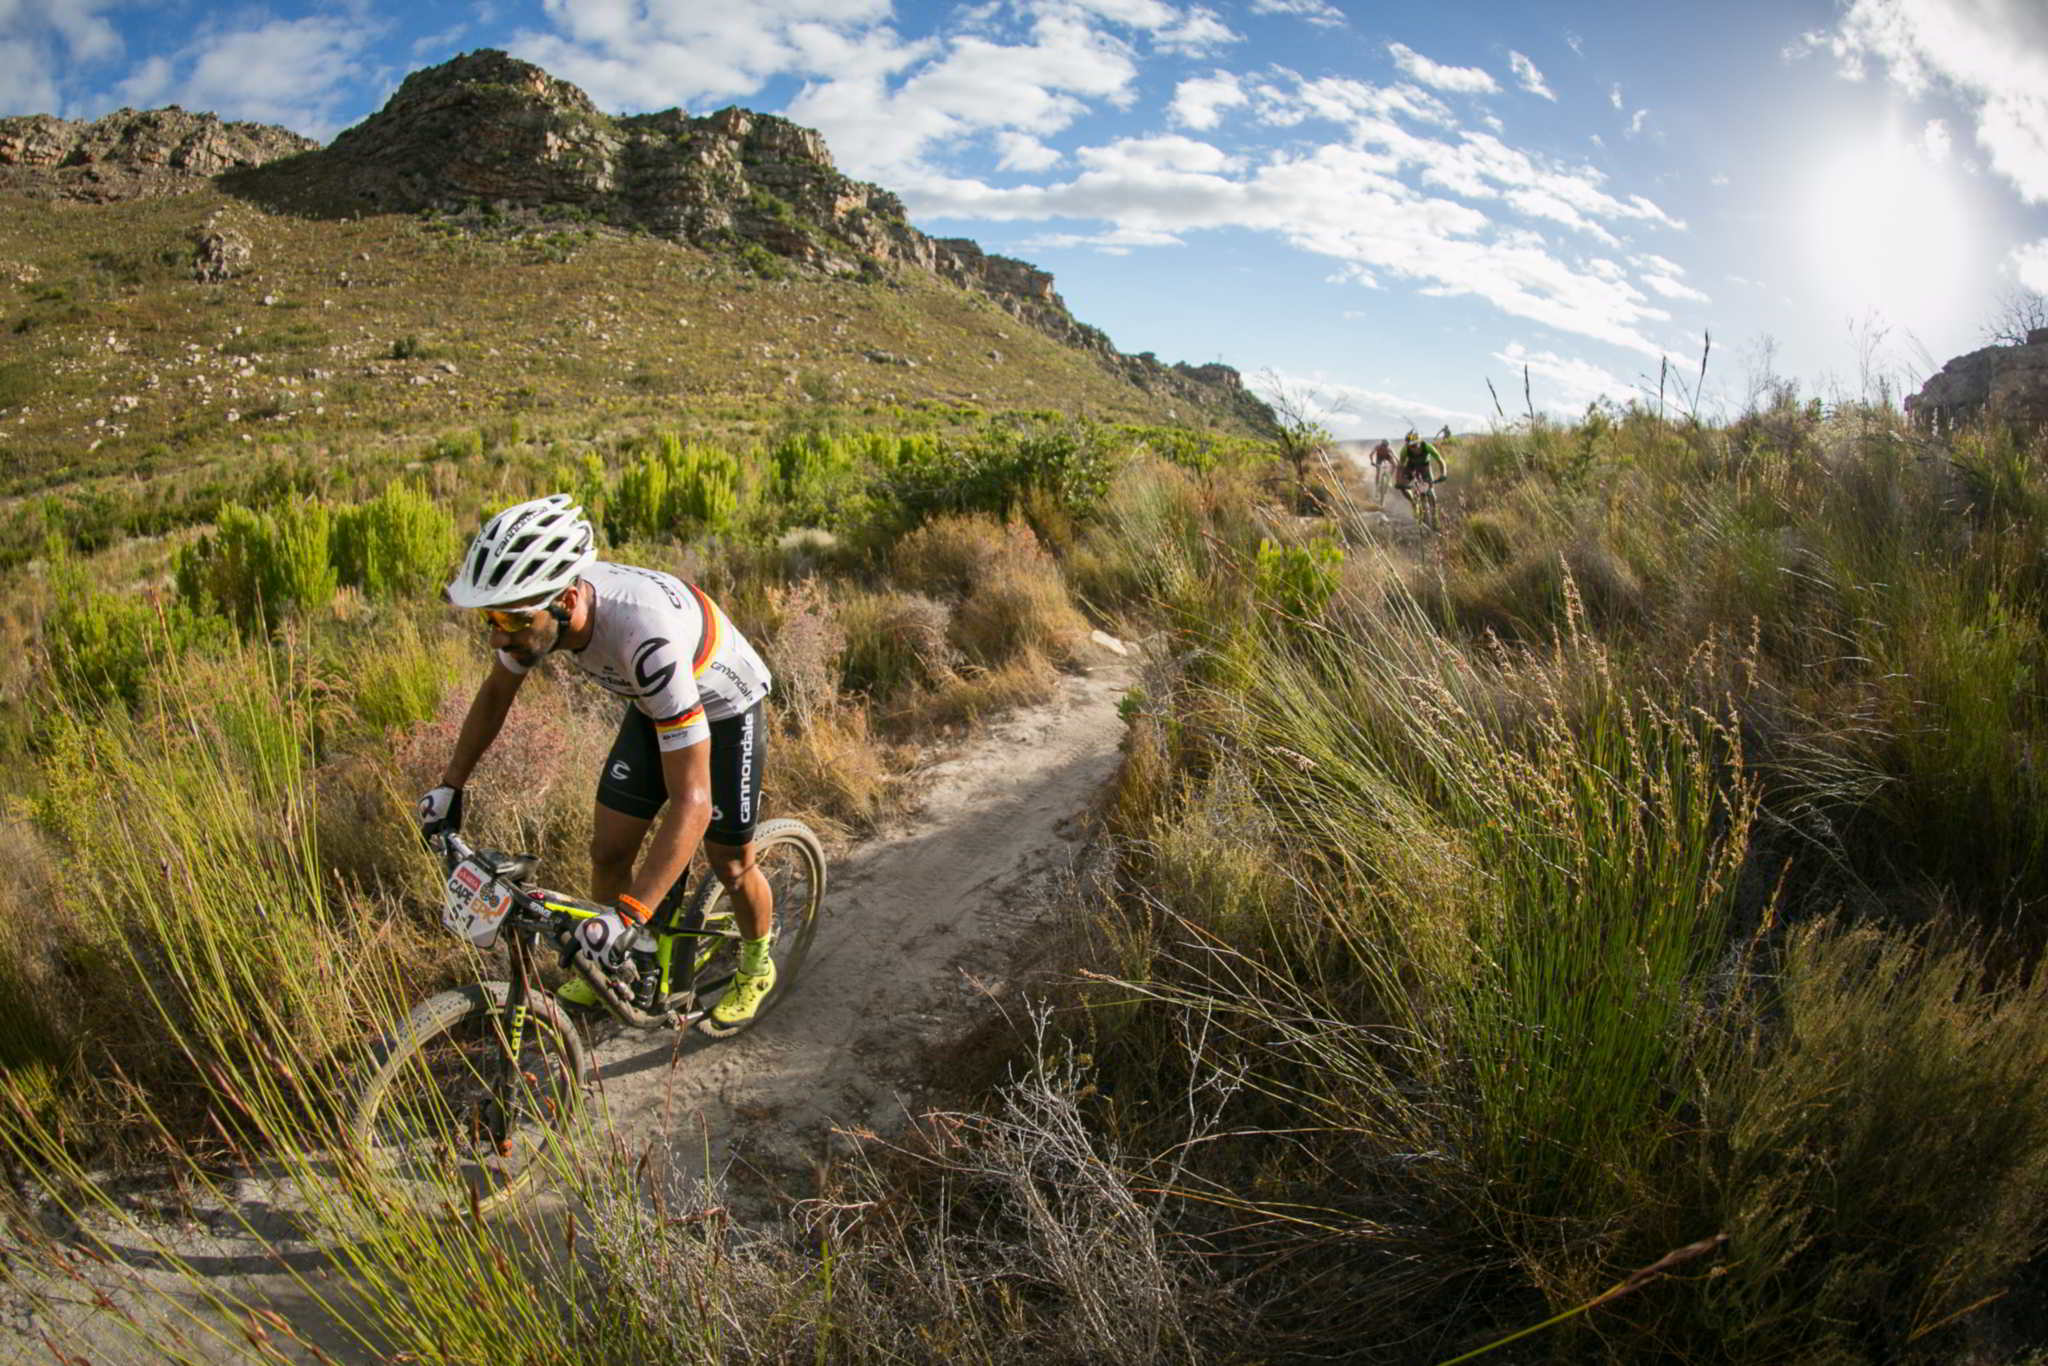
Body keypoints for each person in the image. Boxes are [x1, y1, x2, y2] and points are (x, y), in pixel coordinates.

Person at [416, 494, 779, 1037]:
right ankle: (626, 959)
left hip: (724, 707)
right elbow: (494, 697)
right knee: (609, 851)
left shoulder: (643, 636)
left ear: (565, 599)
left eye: (509, 619)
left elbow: (693, 802)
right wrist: (450, 787)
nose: (498, 635)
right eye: (490, 618)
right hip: (655, 704)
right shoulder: (534, 612)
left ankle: (757, 964)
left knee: (728, 861)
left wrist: (626, 915)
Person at [1393, 430, 1448, 511]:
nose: (1412, 448)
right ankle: (1413, 502)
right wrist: (1398, 481)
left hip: (1425, 466)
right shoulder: (1405, 450)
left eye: (1415, 445)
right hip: (1411, 465)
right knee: (1403, 487)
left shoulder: (1428, 447)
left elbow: (1440, 461)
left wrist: (1443, 474)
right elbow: (1400, 466)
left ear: (1420, 442)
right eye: (1410, 446)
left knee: (1429, 489)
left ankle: (1434, 513)